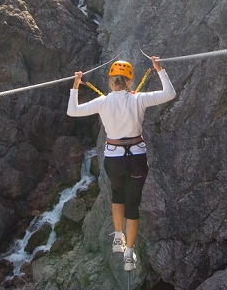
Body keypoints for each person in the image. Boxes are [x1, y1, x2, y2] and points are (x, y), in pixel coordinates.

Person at [67, 58, 176, 271]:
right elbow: (169, 94)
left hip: (113, 158)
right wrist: (160, 70)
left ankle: (118, 237)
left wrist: (75, 85)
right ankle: (129, 255)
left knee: (117, 195)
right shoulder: (139, 99)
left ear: (110, 81)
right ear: (129, 81)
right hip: (136, 157)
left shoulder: (103, 102)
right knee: (132, 206)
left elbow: (73, 111)